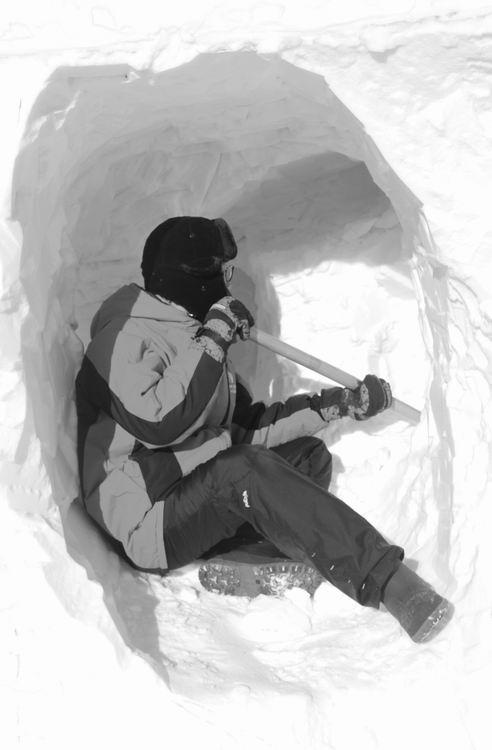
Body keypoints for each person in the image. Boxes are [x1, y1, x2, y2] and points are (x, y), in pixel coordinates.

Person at [75, 215, 454, 643]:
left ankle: (245, 555)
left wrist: (336, 405)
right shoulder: (121, 337)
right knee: (245, 471)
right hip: (145, 520)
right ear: (193, 278)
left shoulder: (193, 338)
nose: (228, 283)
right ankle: (388, 582)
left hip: (190, 490)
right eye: (223, 273)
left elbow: (247, 430)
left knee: (308, 458)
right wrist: (214, 338)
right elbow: (158, 421)